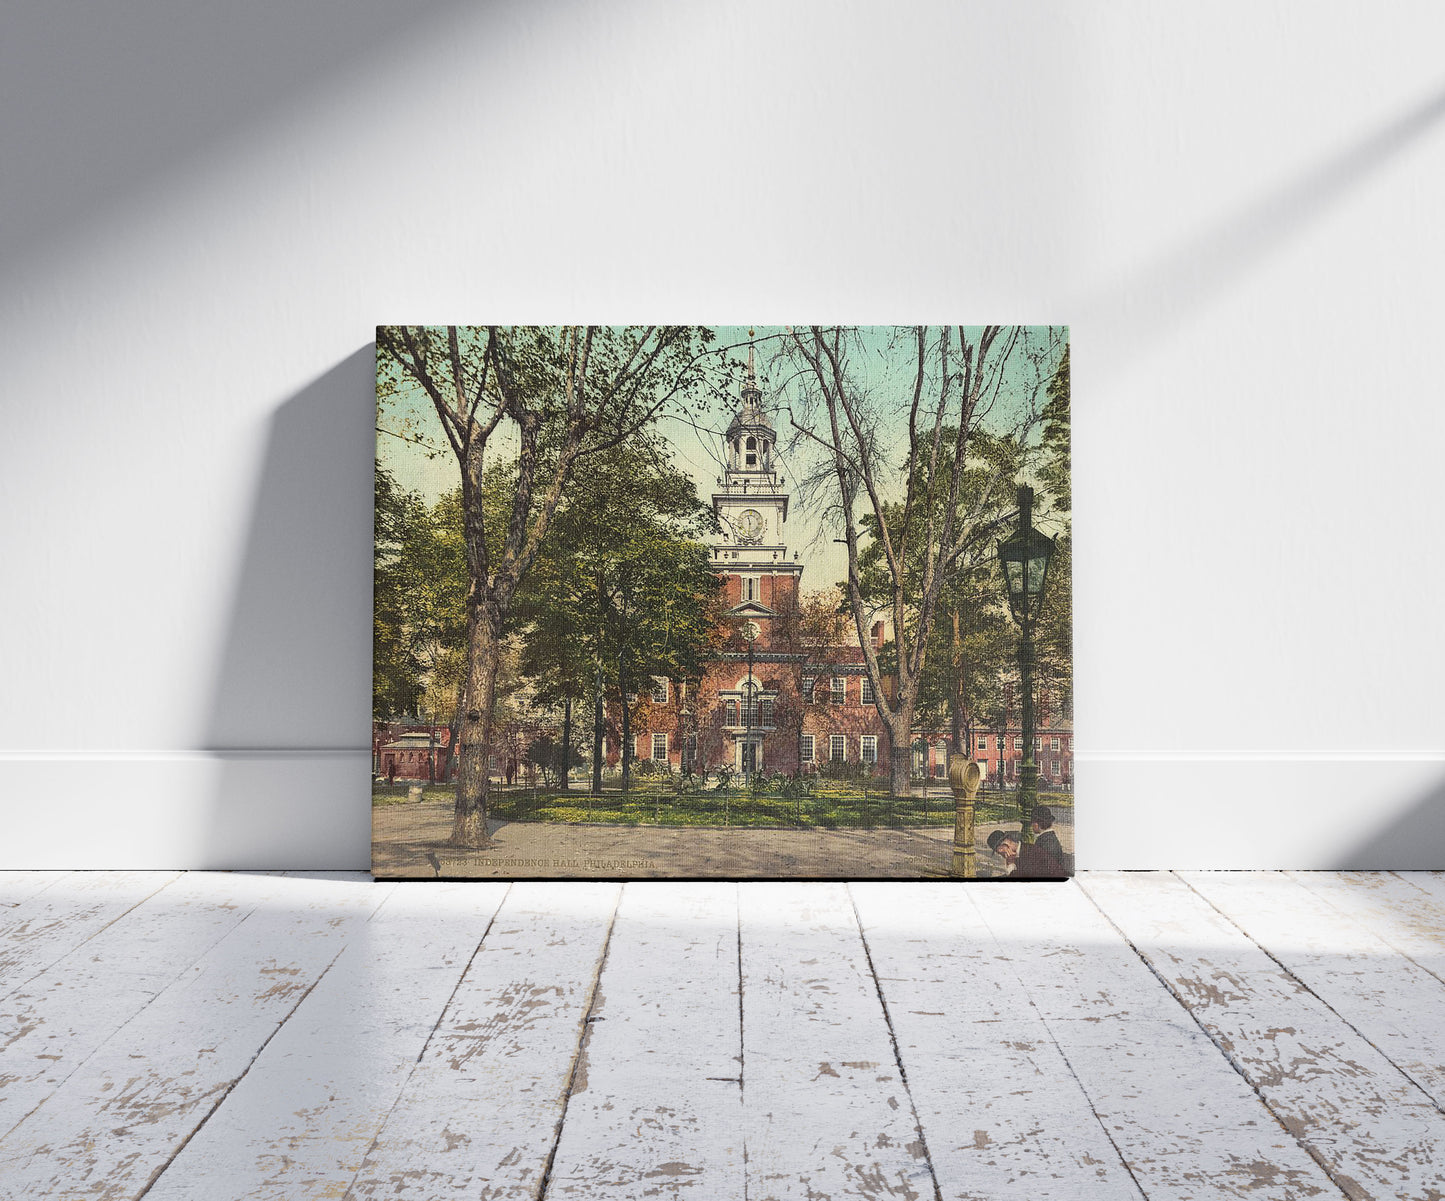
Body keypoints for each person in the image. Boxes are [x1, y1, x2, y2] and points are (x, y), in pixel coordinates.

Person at [987, 828, 1067, 878]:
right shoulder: (1021, 851)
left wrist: (1010, 865)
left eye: (1000, 852)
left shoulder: (1029, 853)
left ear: (1005, 846)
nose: (1002, 856)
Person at [1031, 805, 1074, 874]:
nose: (1031, 826)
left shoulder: (1044, 842)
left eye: (1032, 823)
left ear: (1036, 824)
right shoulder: (1050, 837)